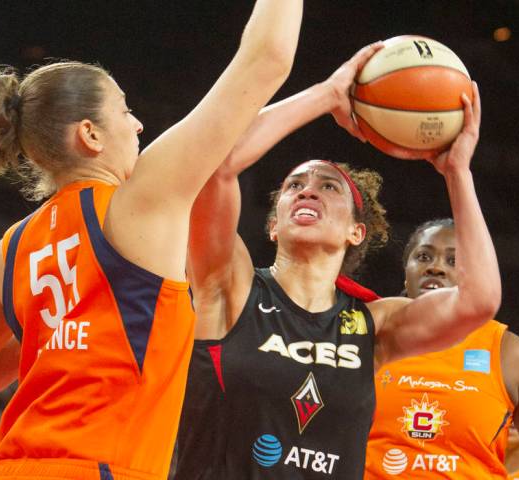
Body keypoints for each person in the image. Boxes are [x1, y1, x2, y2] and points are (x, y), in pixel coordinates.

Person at [0, 2, 304, 479]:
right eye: (125, 110)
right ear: (90, 134)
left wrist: (49, 334)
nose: (138, 124)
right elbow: (267, 57)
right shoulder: (138, 200)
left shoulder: (7, 251)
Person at [173, 41, 501, 478]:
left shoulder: (374, 324)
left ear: (356, 232)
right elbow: (212, 163)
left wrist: (458, 173)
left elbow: (479, 301)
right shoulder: (229, 285)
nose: (307, 191)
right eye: (294, 186)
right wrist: (327, 95)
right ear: (273, 226)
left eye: (328, 187)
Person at [364, 219, 519, 479]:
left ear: (480, 276)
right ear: (406, 271)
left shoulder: (515, 358)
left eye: (454, 261)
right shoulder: (361, 337)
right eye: (423, 256)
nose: (435, 268)